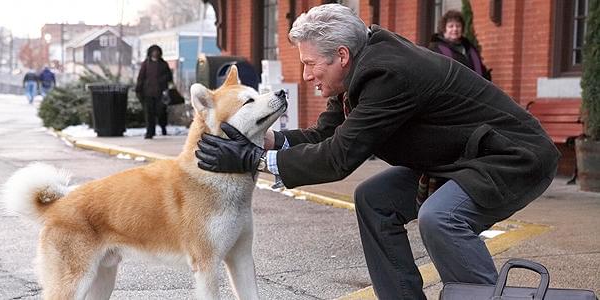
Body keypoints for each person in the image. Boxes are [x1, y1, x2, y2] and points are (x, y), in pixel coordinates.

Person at [195, 4, 559, 299]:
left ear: (340, 56)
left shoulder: (387, 74)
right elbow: (326, 133)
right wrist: (266, 142)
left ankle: (482, 298)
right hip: (459, 159)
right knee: (374, 199)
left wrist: (252, 161)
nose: (306, 75)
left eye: (309, 63)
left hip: (511, 156)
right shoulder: (358, 69)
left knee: (440, 217)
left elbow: (339, 157)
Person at [429, 10, 491, 80]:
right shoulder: (435, 49)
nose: (455, 29)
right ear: (444, 29)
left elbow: (481, 70)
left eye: (458, 26)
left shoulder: (470, 48)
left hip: (476, 88)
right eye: (451, 26)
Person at [135, 45, 173, 139]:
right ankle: (150, 132)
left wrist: (162, 81)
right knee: (149, 113)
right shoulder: (146, 64)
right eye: (153, 51)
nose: (155, 53)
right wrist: (138, 89)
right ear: (150, 53)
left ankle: (163, 127)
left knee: (161, 112)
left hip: (160, 93)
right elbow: (141, 77)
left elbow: (169, 77)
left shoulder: (163, 64)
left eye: (157, 51)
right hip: (148, 93)